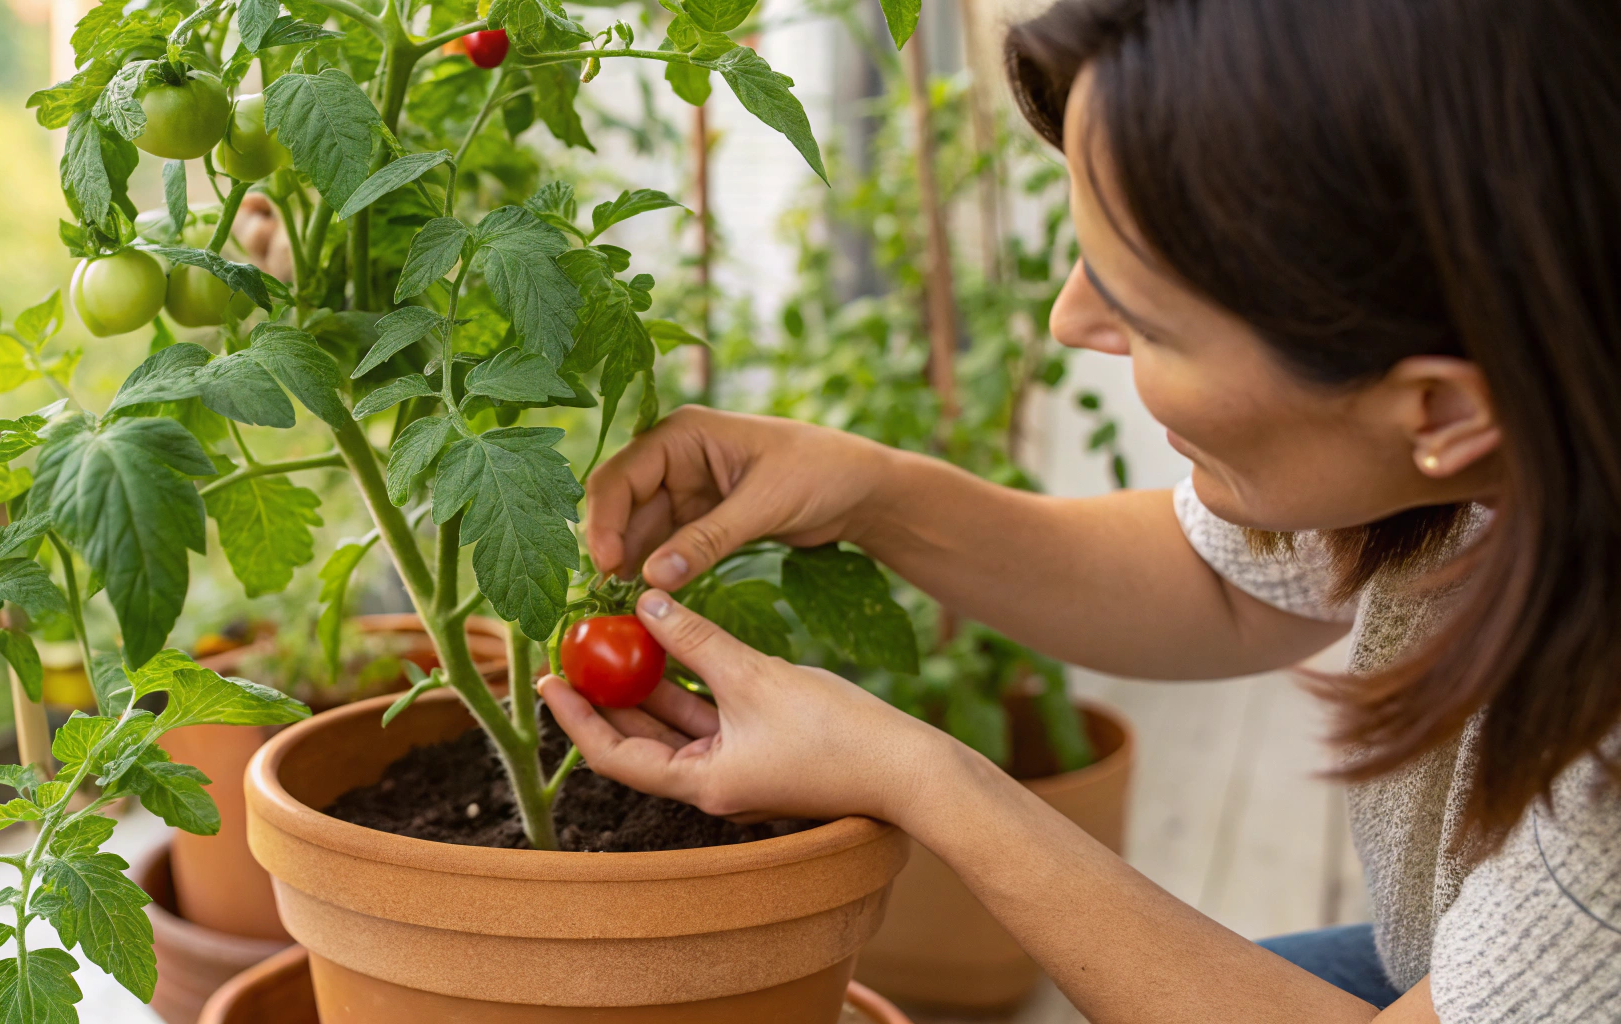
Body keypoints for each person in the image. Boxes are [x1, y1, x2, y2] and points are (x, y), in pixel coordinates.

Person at [534, 1, 1621, 1021]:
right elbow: (1219, 587)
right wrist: (871, 490)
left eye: (1144, 316)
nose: (1066, 321)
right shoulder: (1533, 400)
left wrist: (916, 773)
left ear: (1438, 406)